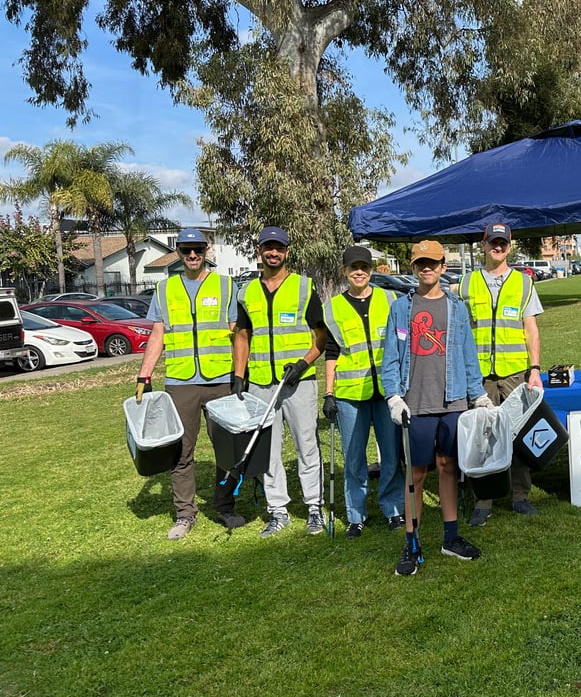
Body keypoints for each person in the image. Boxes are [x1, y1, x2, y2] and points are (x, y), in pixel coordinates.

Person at [382, 239, 490, 577]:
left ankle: (451, 537)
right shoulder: (402, 308)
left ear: (443, 267)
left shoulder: (457, 308)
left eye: (433, 263)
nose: (426, 268)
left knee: (448, 467)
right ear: (413, 269)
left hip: (453, 400)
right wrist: (393, 396)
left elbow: (467, 355)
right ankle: (411, 544)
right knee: (416, 474)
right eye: (420, 264)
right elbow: (390, 355)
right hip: (415, 403)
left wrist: (478, 394)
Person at [135, 228, 241, 539]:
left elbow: (238, 334)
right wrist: (144, 375)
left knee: (226, 448)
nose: (192, 255)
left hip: (221, 380)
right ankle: (185, 513)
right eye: (186, 250)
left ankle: (226, 506)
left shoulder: (226, 285)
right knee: (181, 451)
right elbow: (158, 335)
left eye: (197, 249)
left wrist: (239, 375)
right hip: (181, 382)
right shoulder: (164, 289)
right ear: (178, 252)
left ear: (206, 250)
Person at [231, 226, 328, 537]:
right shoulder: (246, 292)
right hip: (261, 383)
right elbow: (243, 336)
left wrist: (303, 363)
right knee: (268, 450)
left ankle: (314, 506)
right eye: (267, 247)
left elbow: (321, 337)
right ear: (259, 250)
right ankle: (278, 510)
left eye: (279, 247)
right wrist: (238, 376)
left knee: (307, 445)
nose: (273, 252)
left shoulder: (303, 287)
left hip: (299, 382)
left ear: (287, 251)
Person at [459, 223, 544, 526]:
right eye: (493, 242)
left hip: (515, 374)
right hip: (480, 376)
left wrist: (534, 369)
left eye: (503, 243)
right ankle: (483, 500)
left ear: (510, 245)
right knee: (482, 438)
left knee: (518, 434)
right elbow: (460, 330)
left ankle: (520, 496)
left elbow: (530, 328)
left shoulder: (524, 283)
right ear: (483, 244)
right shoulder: (466, 283)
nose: (498, 247)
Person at [322, 246, 405, 538]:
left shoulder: (390, 299)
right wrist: (328, 393)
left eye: (364, 267)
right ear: (345, 271)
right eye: (353, 267)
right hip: (350, 395)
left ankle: (394, 509)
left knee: (392, 455)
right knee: (354, 458)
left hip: (386, 392)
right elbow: (331, 352)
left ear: (371, 270)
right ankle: (356, 515)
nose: (359, 272)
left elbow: (401, 345)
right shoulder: (333, 307)